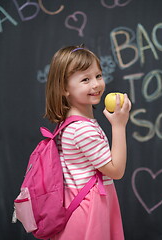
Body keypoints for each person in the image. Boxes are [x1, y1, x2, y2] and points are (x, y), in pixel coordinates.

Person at [44, 45, 131, 240]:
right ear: (64, 88)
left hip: (80, 205)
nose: (96, 84)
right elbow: (116, 171)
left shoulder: (71, 123)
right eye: (85, 79)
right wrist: (119, 125)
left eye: (98, 76)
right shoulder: (82, 130)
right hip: (88, 211)